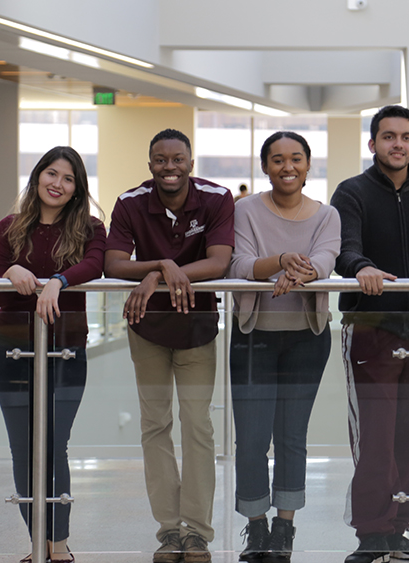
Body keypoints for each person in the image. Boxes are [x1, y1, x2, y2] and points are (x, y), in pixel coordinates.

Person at [330, 105, 409, 563]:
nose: (397, 144)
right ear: (373, 144)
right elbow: (343, 249)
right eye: (388, 137)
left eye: (406, 137)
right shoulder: (352, 193)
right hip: (370, 331)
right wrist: (361, 266)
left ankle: (401, 526)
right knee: (376, 437)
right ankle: (371, 532)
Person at [104, 129, 235, 563]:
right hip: (147, 328)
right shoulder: (129, 202)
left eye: (178, 159)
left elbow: (219, 261)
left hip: (198, 328)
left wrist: (160, 274)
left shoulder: (217, 198)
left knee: (198, 427)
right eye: (160, 160)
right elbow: (113, 263)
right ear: (150, 165)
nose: (169, 167)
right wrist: (162, 265)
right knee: (154, 426)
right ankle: (168, 531)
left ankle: (196, 532)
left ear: (191, 163)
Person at [0, 146, 107, 563]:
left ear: (77, 189)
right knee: (23, 447)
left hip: (67, 349)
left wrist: (56, 280)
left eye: (68, 178)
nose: (58, 183)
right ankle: (39, 543)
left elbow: (95, 265)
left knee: (54, 445)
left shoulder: (90, 227)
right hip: (10, 348)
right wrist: (10, 271)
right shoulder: (9, 227)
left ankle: (59, 546)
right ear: (38, 177)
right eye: (51, 174)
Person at [228, 132, 341, 563]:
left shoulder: (327, 214)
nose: (287, 166)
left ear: (309, 165)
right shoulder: (245, 210)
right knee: (252, 439)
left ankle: (285, 528)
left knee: (292, 437)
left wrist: (303, 269)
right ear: (265, 166)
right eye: (277, 159)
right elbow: (239, 264)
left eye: (296, 158)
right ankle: (257, 528)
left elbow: (328, 259)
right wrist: (283, 261)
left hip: (307, 337)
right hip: (253, 334)